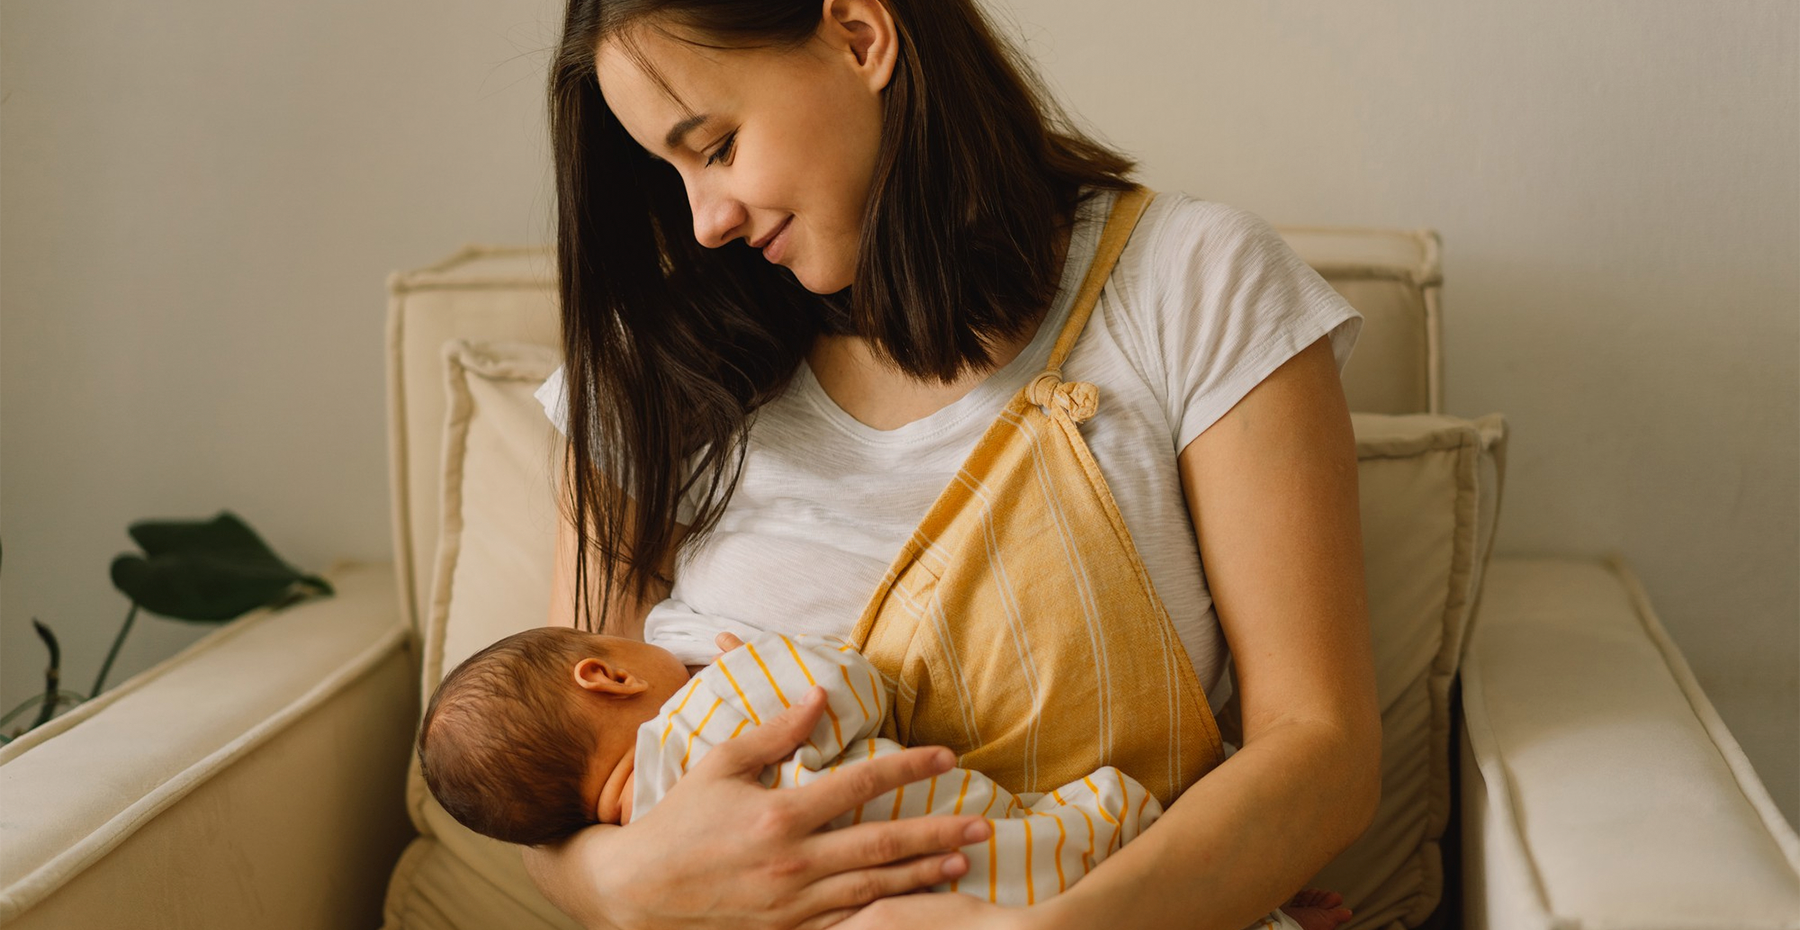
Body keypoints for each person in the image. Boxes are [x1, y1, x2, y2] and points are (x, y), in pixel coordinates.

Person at [521, 0, 1382, 928]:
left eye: (719, 146)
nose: (705, 222)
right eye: (671, 171)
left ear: (860, 36)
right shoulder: (647, 373)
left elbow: (1322, 749)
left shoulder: (1193, 282)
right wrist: (623, 888)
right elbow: (558, 779)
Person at [419, 625, 1343, 927]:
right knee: (1101, 821)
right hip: (974, 846)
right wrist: (757, 658)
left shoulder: (644, 827)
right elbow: (844, 686)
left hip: (881, 909)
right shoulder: (711, 706)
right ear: (607, 675)